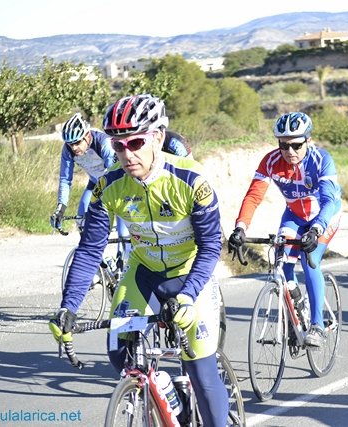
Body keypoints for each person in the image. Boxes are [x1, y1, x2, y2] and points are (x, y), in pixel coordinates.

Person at [49, 94, 228, 426]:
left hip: (190, 275)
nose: (127, 154)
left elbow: (210, 246)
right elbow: (89, 250)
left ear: (158, 137)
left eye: (135, 143)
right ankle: (168, 394)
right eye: (118, 146)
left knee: (202, 374)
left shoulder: (191, 180)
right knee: (120, 355)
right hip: (142, 273)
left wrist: (188, 296)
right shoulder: (109, 185)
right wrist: (68, 306)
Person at [227, 112, 342, 347]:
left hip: (324, 216)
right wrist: (240, 227)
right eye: (284, 145)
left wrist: (316, 230)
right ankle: (296, 309)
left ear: (308, 141)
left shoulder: (321, 159)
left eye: (296, 145)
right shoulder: (270, 161)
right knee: (281, 263)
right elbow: (254, 196)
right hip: (294, 215)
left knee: (310, 259)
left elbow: (329, 200)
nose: (290, 151)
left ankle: (317, 326)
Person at [50, 113, 128, 241]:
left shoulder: (104, 143)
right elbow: (65, 179)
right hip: (95, 183)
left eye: (77, 142)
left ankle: (124, 249)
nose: (74, 148)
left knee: (123, 230)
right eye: (70, 144)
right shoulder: (67, 150)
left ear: (87, 135)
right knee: (82, 221)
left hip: (117, 184)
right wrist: (61, 208)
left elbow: (114, 175)